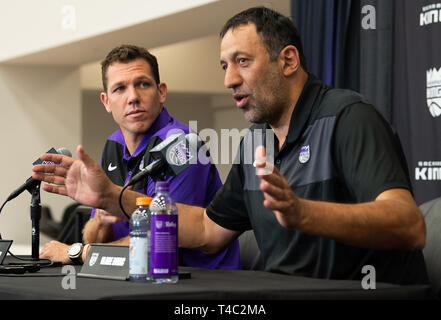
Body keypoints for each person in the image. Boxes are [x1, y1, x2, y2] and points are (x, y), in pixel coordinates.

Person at [33, 7, 428, 285]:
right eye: (224, 66)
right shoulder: (256, 139)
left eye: (242, 61)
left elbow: (408, 226)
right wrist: (115, 197)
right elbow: (207, 227)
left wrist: (304, 213)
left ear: (288, 60)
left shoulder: (348, 117)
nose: (229, 80)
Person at [38, 44, 241, 270]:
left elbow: (162, 243)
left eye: (142, 84)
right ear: (106, 101)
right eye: (120, 89)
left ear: (161, 92)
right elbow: (97, 237)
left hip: (196, 282)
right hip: (137, 277)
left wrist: (77, 253)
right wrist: (102, 224)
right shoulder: (114, 144)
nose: (133, 97)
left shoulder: (182, 145)